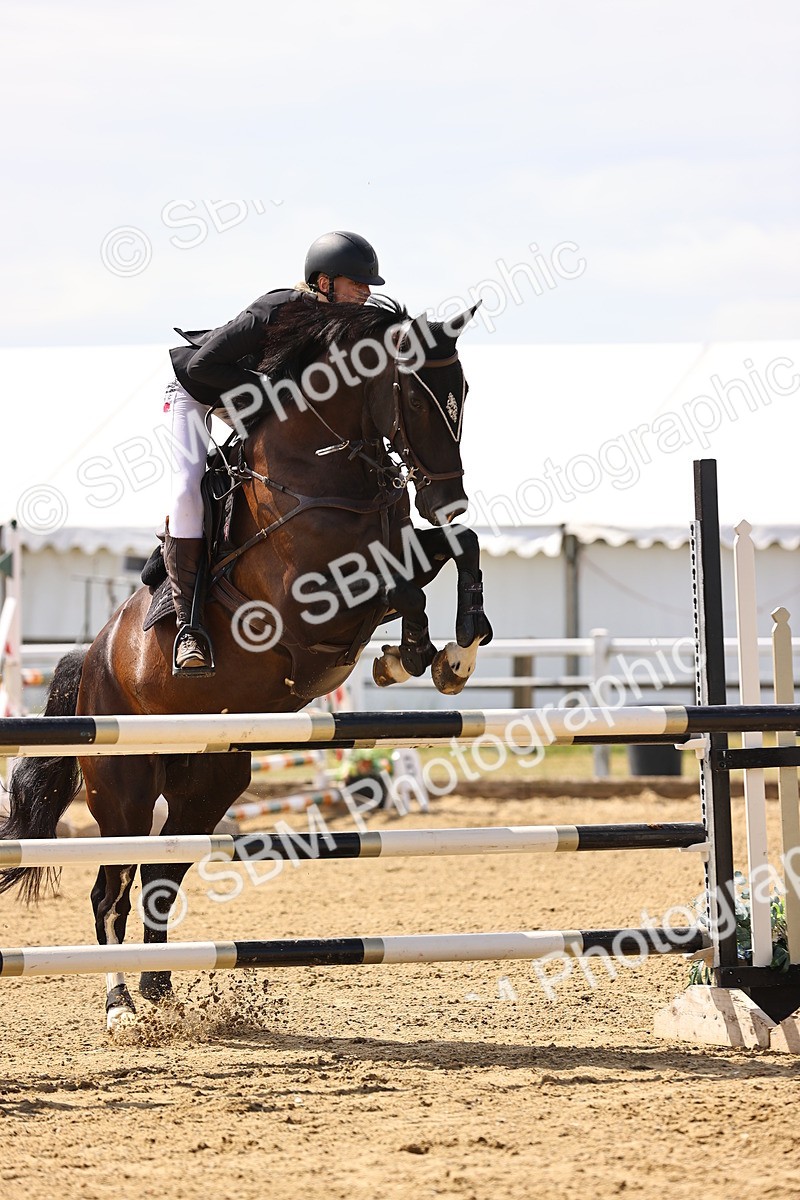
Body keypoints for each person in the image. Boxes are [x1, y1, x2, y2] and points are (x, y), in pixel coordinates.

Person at [163, 231, 385, 674]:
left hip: (252, 398)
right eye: (357, 283)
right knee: (187, 488)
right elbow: (205, 365)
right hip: (196, 390)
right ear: (324, 283)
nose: (365, 292)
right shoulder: (277, 309)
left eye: (368, 285)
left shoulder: (345, 328)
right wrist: (274, 391)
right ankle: (189, 626)